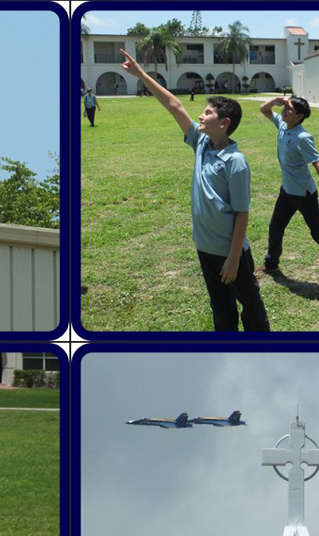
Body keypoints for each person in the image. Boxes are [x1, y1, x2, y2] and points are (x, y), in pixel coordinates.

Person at [119, 48, 270, 332]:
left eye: (208, 113)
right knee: (222, 309)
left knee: (251, 306)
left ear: (224, 123)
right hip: (206, 248)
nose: (200, 116)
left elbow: (242, 214)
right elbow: (174, 105)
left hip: (231, 252)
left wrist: (234, 259)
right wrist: (141, 75)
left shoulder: (235, 162)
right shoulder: (201, 143)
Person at [258, 96, 319, 276]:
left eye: (289, 109)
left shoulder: (303, 137)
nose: (284, 111)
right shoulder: (283, 125)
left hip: (304, 194)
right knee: (275, 226)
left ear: (299, 116)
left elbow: (318, 164)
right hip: (287, 191)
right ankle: (271, 263)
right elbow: (264, 109)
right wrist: (276, 100)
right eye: (284, 107)